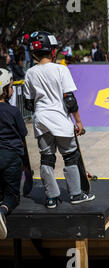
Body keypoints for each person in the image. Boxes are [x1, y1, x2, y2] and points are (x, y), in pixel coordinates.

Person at [24, 31, 95, 208]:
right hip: (61, 121)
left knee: (47, 159)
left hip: (41, 122)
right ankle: (76, 194)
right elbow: (69, 100)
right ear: (52, 51)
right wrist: (78, 121)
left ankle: (51, 198)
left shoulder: (30, 73)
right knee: (70, 157)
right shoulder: (61, 69)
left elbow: (28, 103)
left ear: (34, 52)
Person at [0, 68, 28, 239]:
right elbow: (23, 137)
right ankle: (2, 210)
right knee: (11, 195)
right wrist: (27, 168)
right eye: (10, 87)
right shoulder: (13, 112)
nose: (12, 90)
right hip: (11, 157)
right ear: (4, 90)